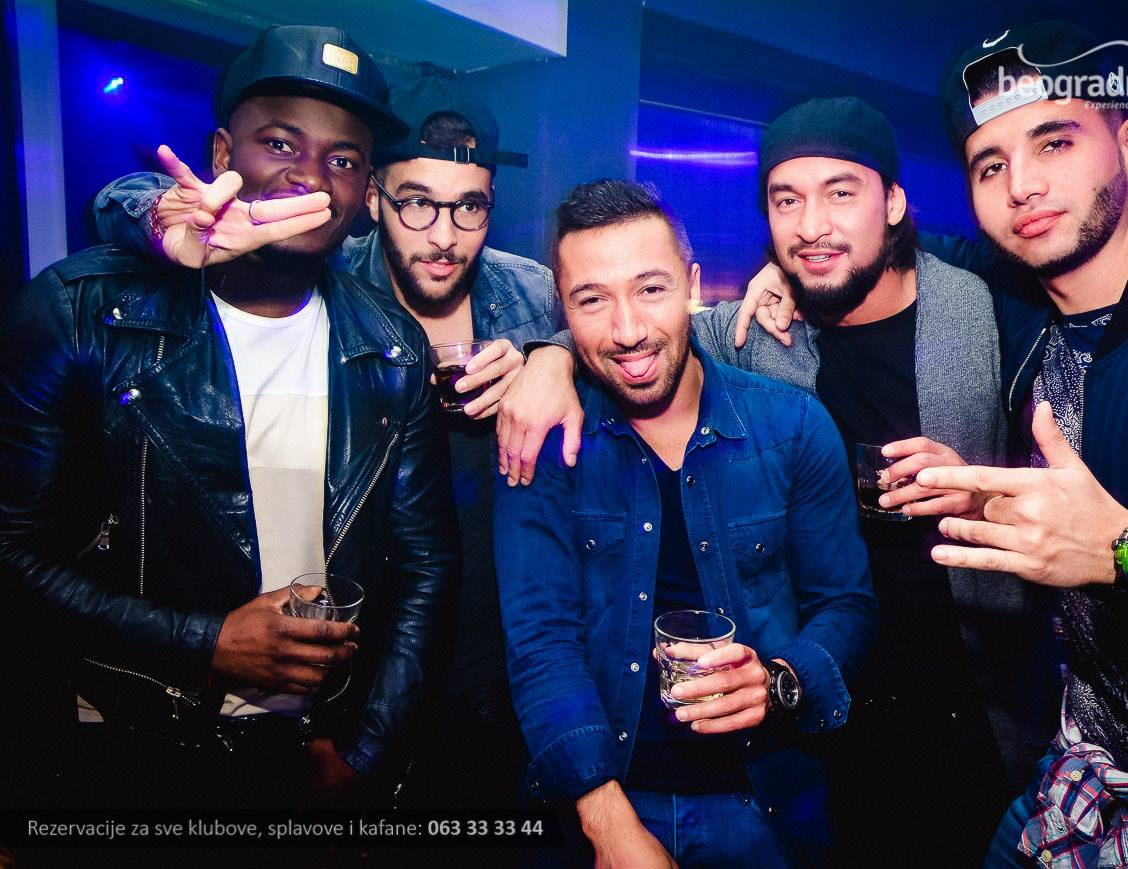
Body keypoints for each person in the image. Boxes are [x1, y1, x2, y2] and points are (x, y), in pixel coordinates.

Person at [741, 20, 1128, 866]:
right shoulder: (1016, 297)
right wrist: (792, 265)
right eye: (991, 165)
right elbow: (887, 255)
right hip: (1080, 768)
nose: (1023, 186)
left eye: (1055, 142)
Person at [496, 97, 1056, 861]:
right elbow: (631, 328)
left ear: (894, 202)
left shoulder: (989, 314)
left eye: (840, 192)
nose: (812, 225)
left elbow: (1081, 484)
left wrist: (987, 495)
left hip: (970, 704)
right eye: (786, 200)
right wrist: (547, 356)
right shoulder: (754, 332)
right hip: (835, 741)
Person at [0, 24, 460, 808]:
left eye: (343, 159)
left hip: (314, 749)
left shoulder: (393, 348)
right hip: (122, 750)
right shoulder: (79, 313)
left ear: (365, 194)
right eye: (280, 143)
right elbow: (13, 556)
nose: (309, 176)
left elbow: (426, 568)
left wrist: (370, 750)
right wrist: (205, 643)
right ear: (222, 154)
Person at [93, 81, 554, 809]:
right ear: (372, 198)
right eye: (416, 202)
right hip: (365, 653)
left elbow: (620, 333)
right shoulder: (328, 266)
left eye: (469, 206)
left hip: (497, 642)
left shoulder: (530, 292)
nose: (443, 234)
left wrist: (551, 359)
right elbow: (139, 206)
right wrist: (152, 214)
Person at [493, 179, 877, 867]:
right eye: (592, 300)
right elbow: (539, 640)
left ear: (693, 287)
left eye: (650, 289)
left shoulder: (792, 425)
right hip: (599, 798)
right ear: (564, 313)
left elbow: (845, 604)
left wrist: (779, 681)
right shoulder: (542, 441)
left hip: (767, 803)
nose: (628, 331)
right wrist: (608, 823)